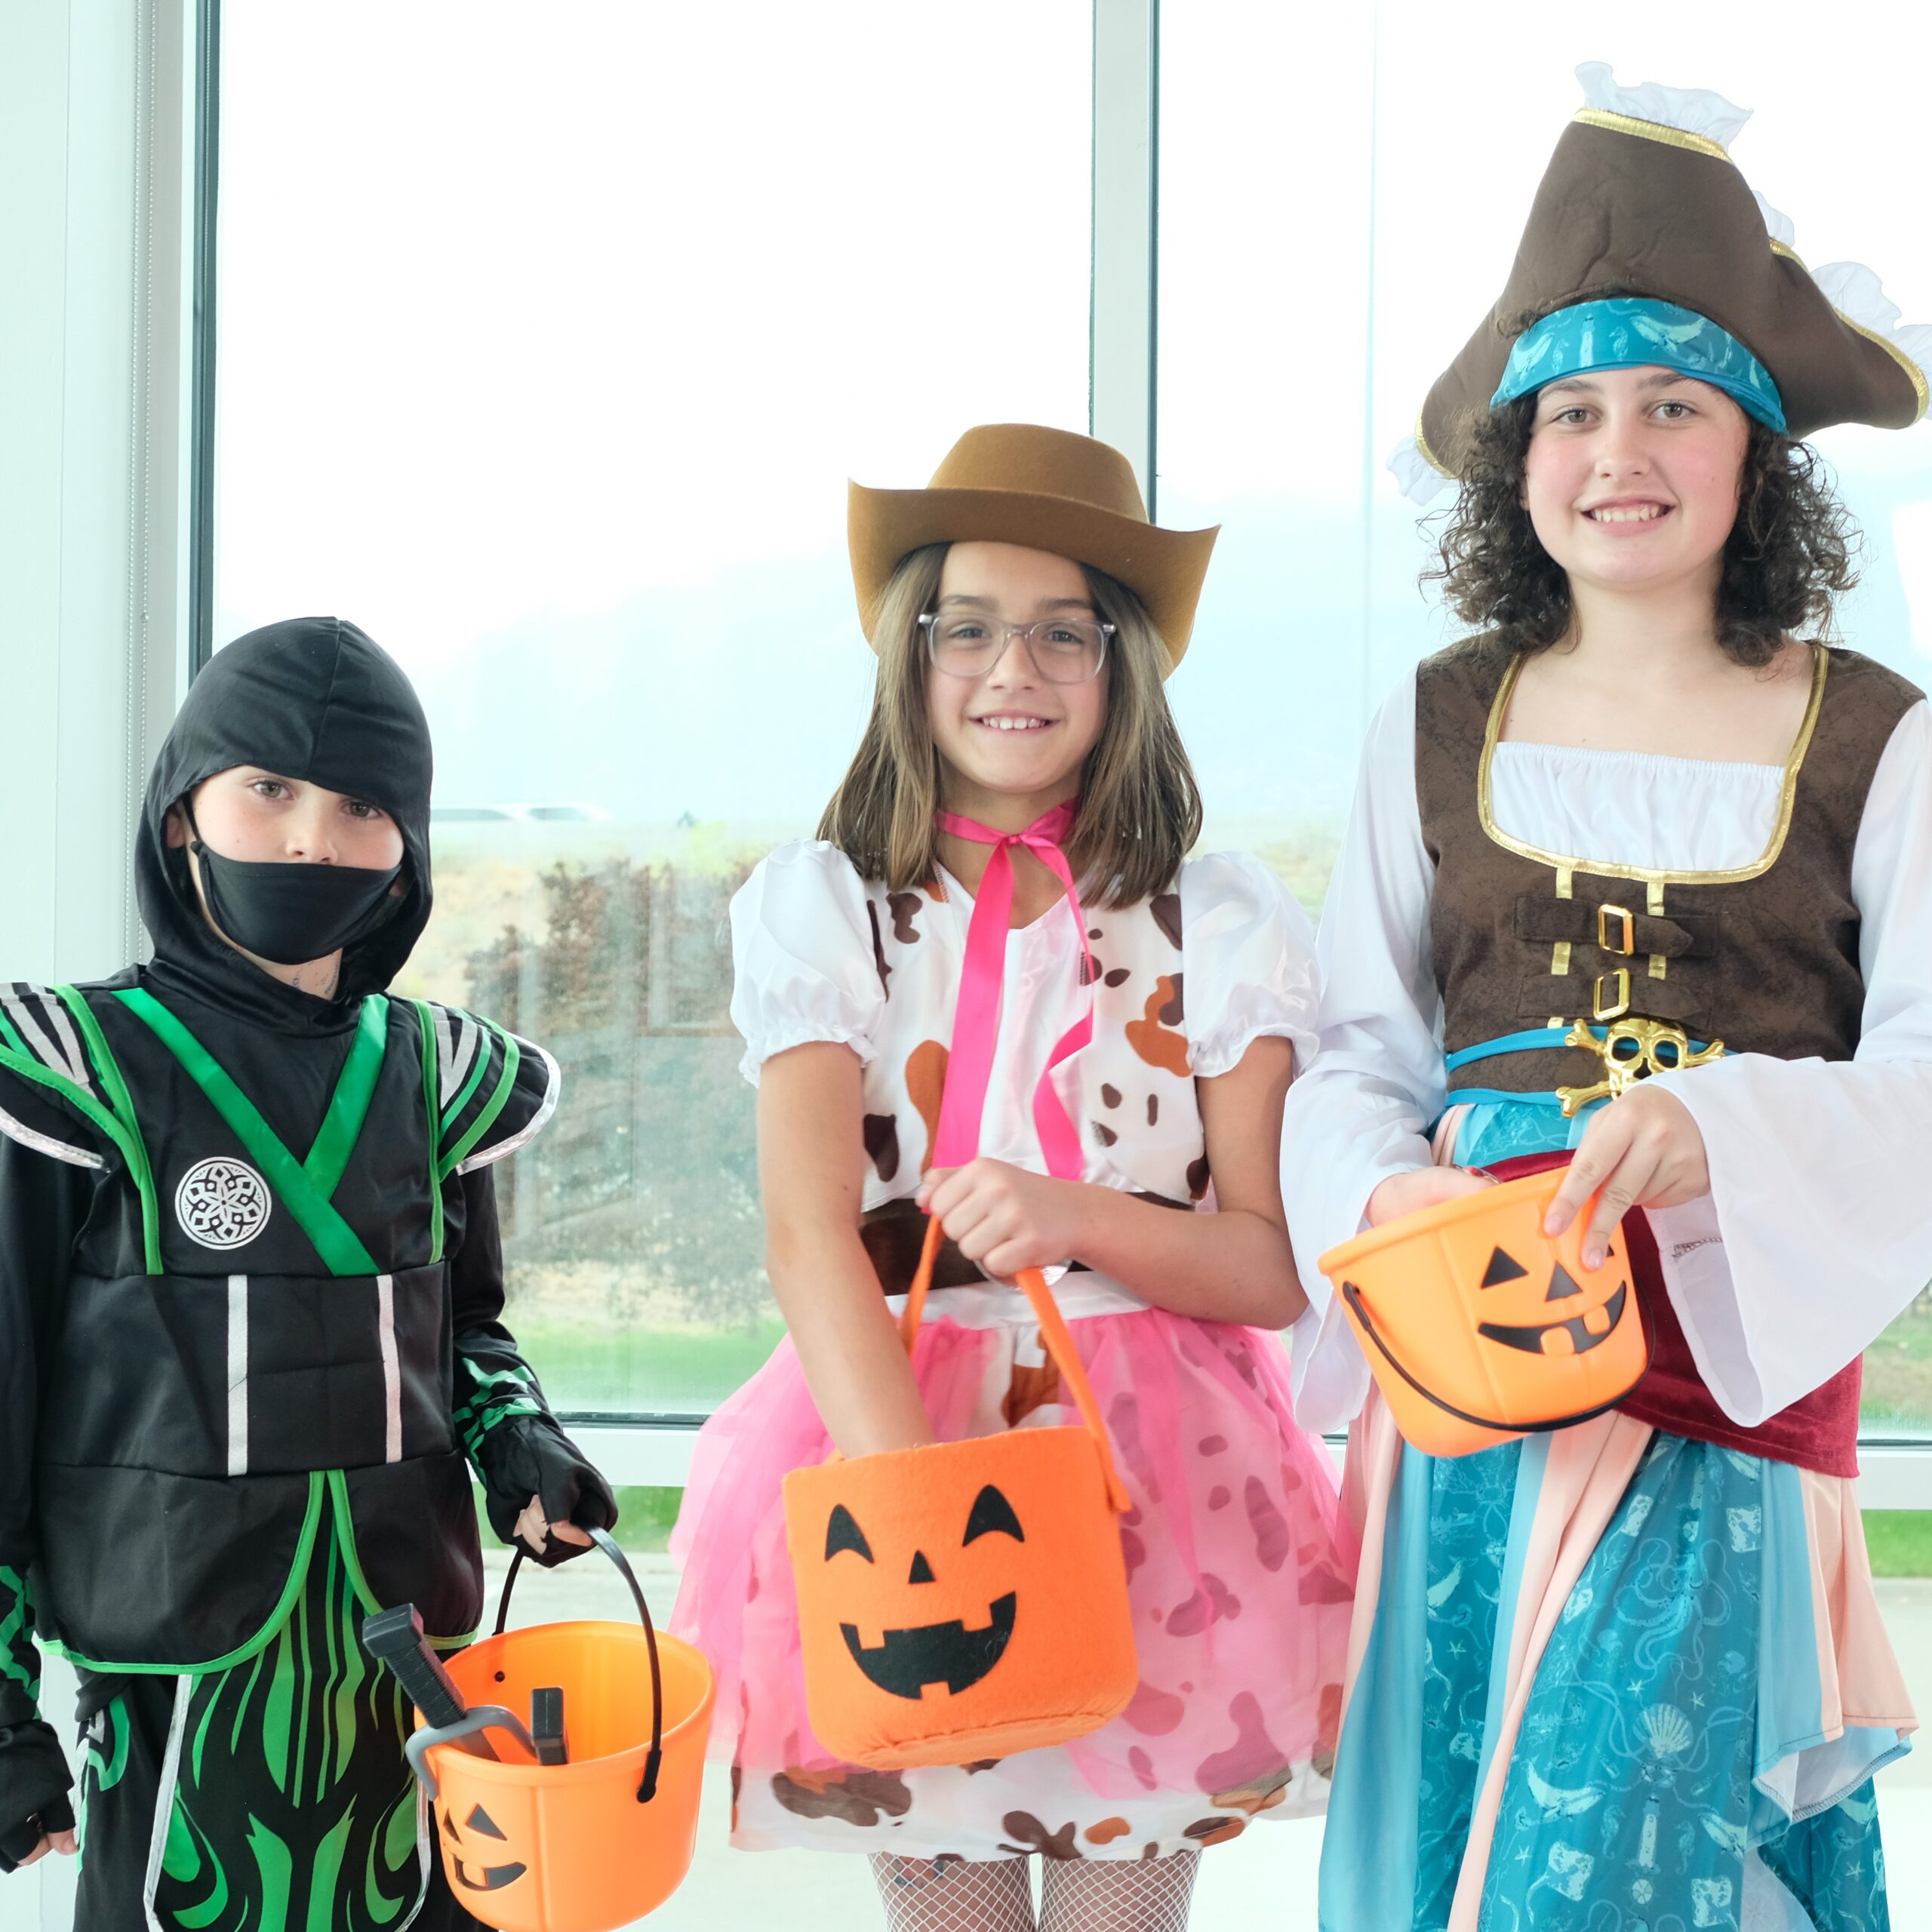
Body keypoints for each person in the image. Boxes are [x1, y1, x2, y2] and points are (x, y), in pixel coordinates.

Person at [1283, 65, 1932, 1930]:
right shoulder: (1430, 716)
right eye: (1569, 407)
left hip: (1719, 1345)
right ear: (1518, 457)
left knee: (1642, 1836)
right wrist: (1380, 1190)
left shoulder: (1879, 739)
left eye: (1669, 401)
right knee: (1456, 1809)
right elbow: (1356, 1051)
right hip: (1466, 1352)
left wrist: (1714, 1119)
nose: (1615, 448)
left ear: (1751, 450)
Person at [671, 424, 1355, 1930]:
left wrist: (1073, 1213)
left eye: (1064, 633)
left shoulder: (1220, 921)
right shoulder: (825, 908)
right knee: (954, 1904)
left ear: (1122, 667)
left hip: (1154, 1471)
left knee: (1118, 1909)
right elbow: (805, 1235)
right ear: (907, 654)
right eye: (965, 628)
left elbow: (1261, 1262)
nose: (1012, 670)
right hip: (889, 1428)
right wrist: (914, 1502)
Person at [0, 617, 616, 1930]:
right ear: (183, 815)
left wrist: (522, 1441)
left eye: (359, 806)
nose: (307, 839)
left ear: (407, 851)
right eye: (268, 789)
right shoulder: (78, 1070)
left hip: (412, 1664)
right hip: (177, 1660)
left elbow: (471, 1331)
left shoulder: (438, 1075)